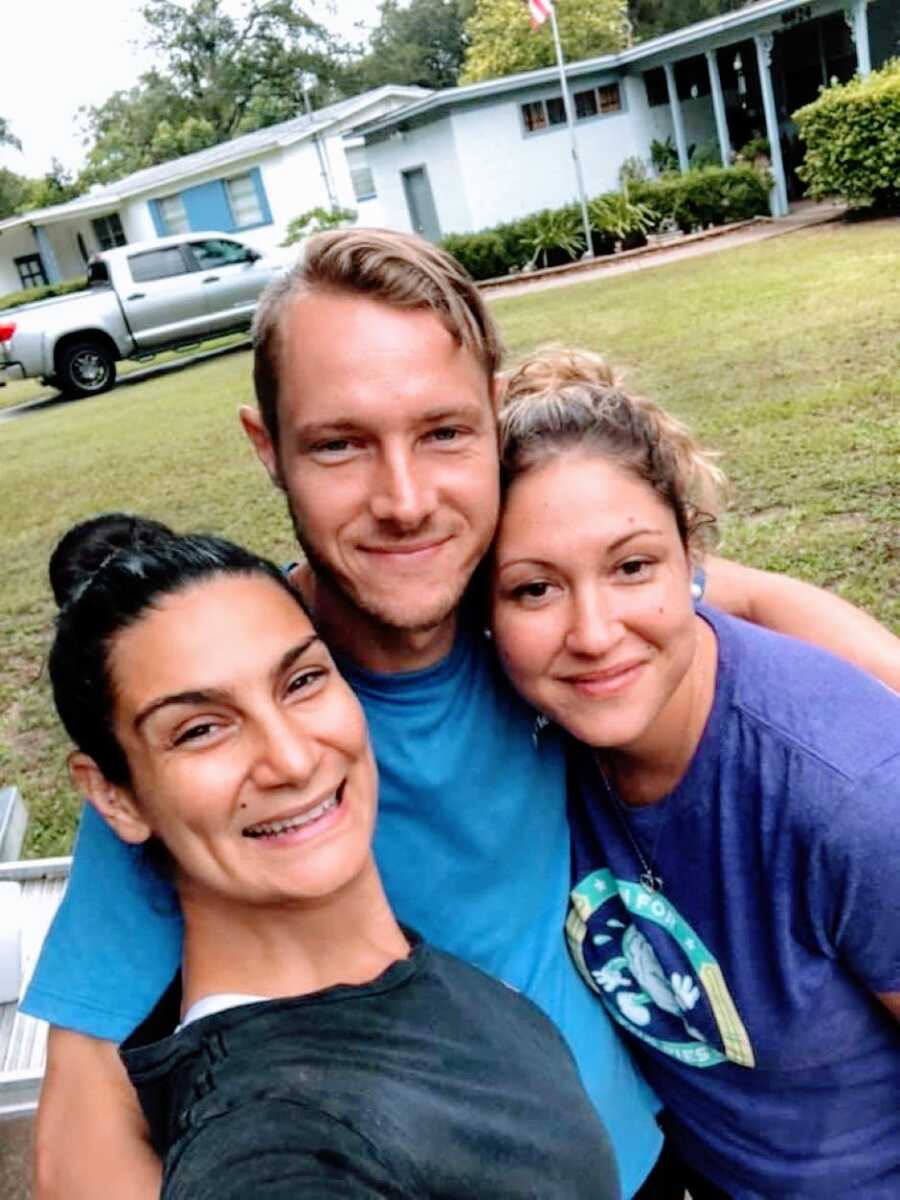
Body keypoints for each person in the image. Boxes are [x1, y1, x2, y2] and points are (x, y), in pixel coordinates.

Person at [27, 230, 900, 1200]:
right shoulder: (228, 709)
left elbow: (721, 594)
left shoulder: (534, 608)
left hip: (651, 1157)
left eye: (443, 432)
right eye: (340, 444)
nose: (404, 502)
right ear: (267, 449)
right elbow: (79, 1131)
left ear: (493, 420)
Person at [47, 512, 621, 1199]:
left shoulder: (428, 978)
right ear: (115, 798)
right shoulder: (271, 1149)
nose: (289, 759)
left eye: (301, 682)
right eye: (200, 729)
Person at [490, 348, 900, 1198]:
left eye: (632, 567)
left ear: (691, 558)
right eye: (534, 589)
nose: (595, 632)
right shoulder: (534, 738)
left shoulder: (850, 798)